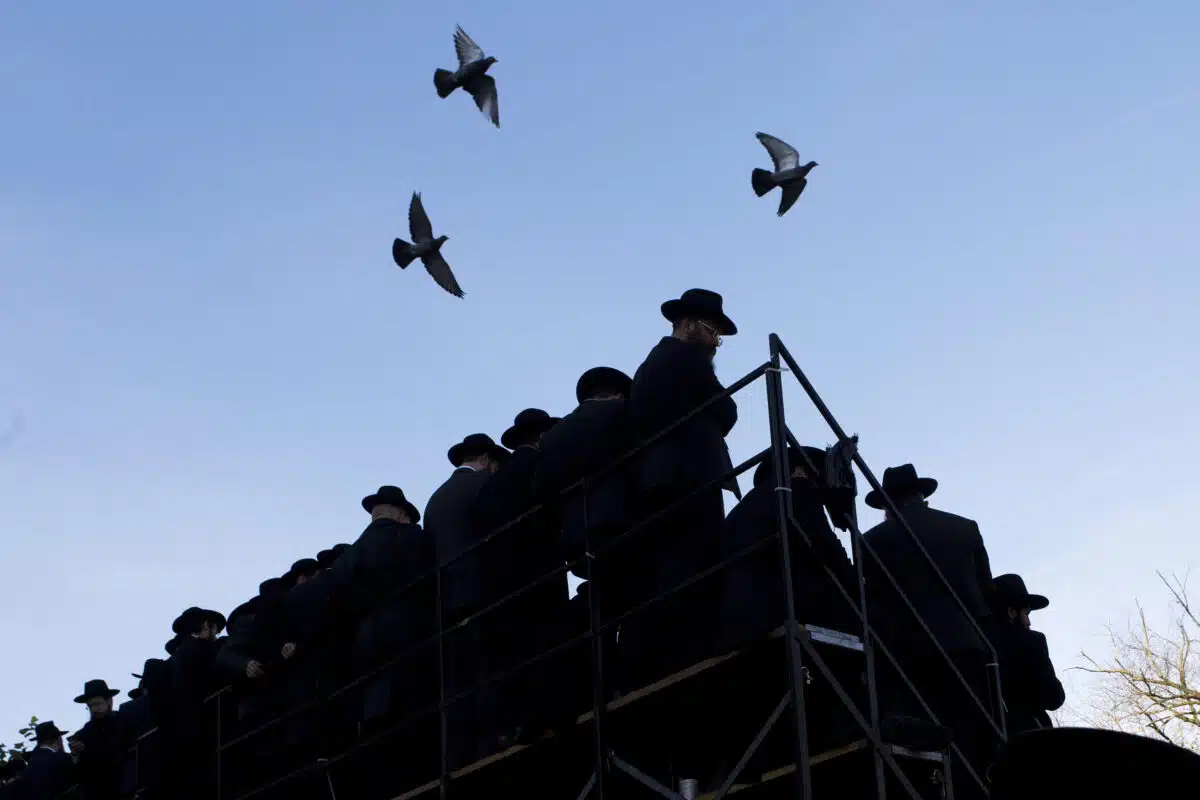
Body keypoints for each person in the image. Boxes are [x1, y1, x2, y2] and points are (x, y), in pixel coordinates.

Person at [861, 464, 998, 791]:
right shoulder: (964, 528)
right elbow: (986, 594)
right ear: (922, 495)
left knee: (918, 745)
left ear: (886, 505)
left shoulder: (874, 539)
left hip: (908, 654)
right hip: (966, 648)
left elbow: (867, 599)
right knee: (969, 740)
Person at [424, 433, 509, 768]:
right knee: (487, 670)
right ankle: (491, 742)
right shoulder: (484, 487)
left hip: (446, 601)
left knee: (458, 683)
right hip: (481, 590)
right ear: (487, 459)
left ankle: (459, 757)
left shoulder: (435, 499)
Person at [991, 573, 1065, 735]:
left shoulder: (981, 643)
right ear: (1012, 612)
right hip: (1029, 735)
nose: (1028, 622)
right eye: (1026, 614)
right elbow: (1053, 698)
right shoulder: (1032, 641)